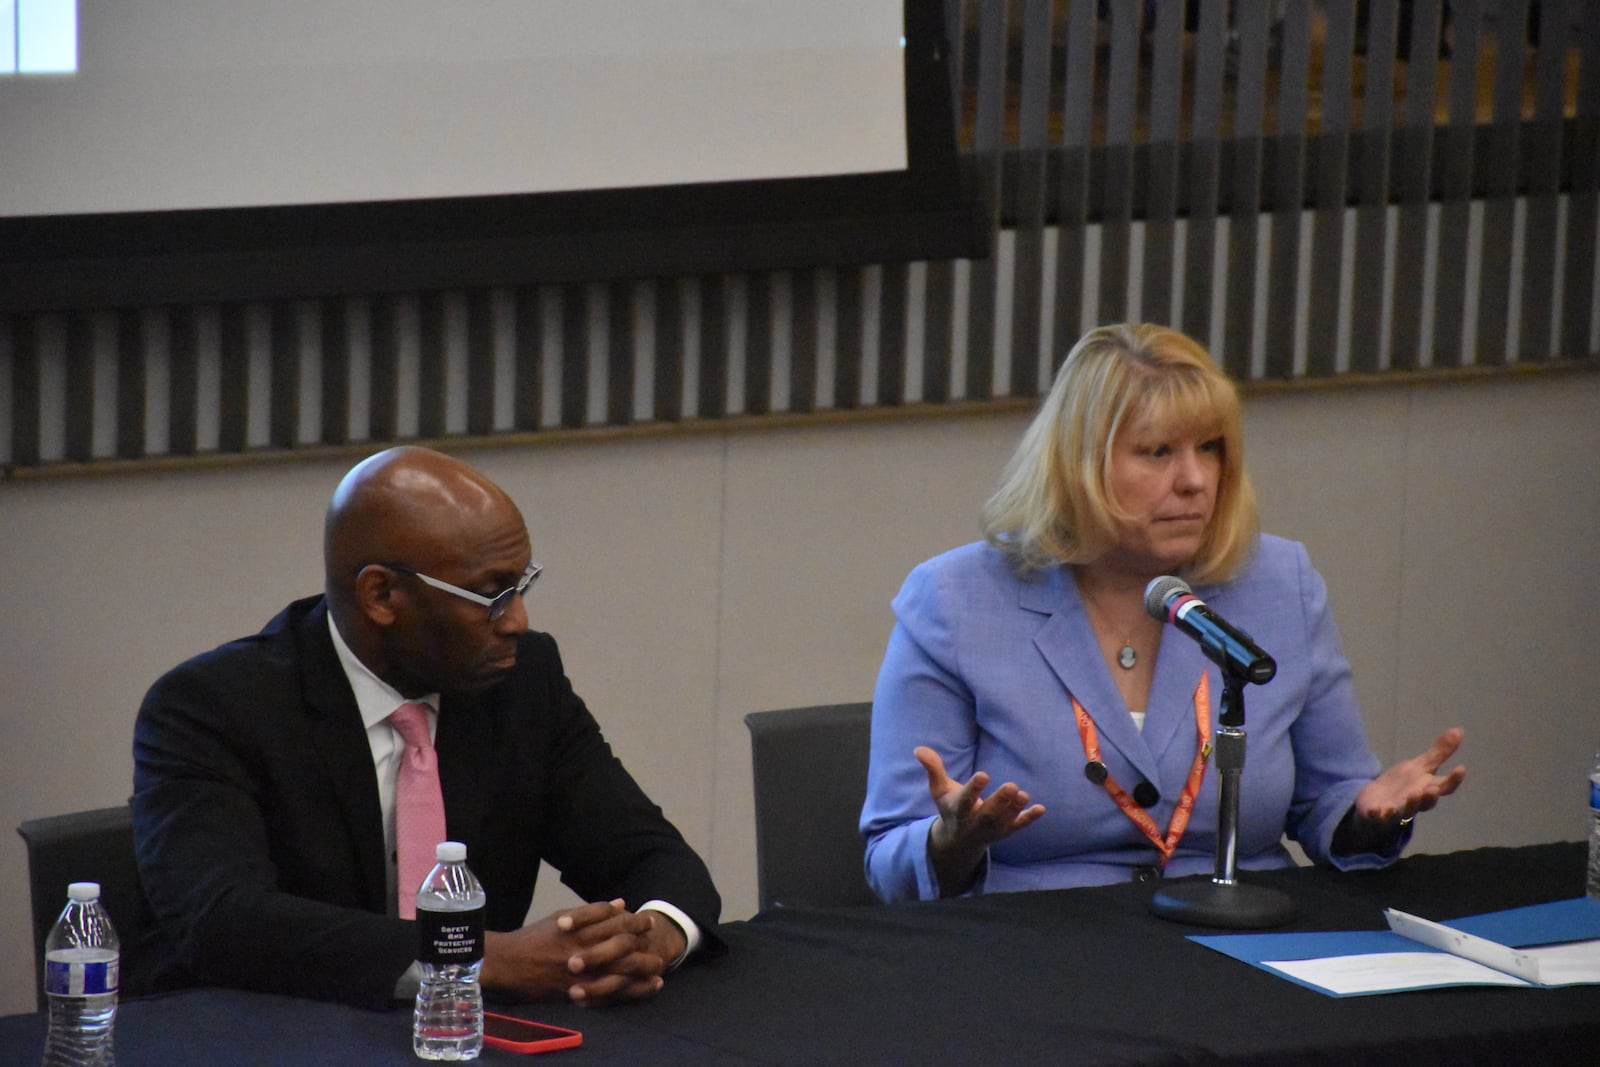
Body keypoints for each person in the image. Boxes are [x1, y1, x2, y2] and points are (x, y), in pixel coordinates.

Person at [860, 323, 1466, 901]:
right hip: (1041, 943)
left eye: (1210, 448)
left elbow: (1328, 801)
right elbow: (890, 859)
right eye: (1157, 453)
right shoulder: (955, 600)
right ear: (1079, 464)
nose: (1196, 479)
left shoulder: (1281, 584)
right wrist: (950, 842)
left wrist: (1368, 815)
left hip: (1242, 941)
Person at [132, 446, 723, 1008]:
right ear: (382, 595)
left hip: (468, 1040)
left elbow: (649, 853)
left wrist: (651, 938)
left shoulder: (522, 683)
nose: (518, 620)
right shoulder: (213, 707)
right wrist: (482, 959)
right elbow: (224, 922)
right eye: (492, 595)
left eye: (522, 586)